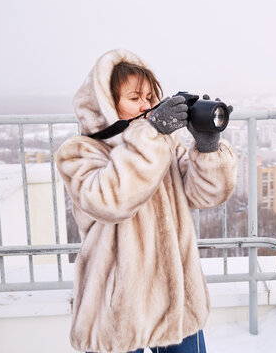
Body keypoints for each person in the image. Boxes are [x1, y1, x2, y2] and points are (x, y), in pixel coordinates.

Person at [56, 49, 237, 353]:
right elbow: (110, 200)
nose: (146, 105)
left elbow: (206, 194)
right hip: (118, 304)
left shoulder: (164, 145)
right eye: (135, 97)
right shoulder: (80, 153)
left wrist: (207, 146)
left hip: (174, 296)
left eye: (151, 97)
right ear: (107, 104)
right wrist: (152, 135)